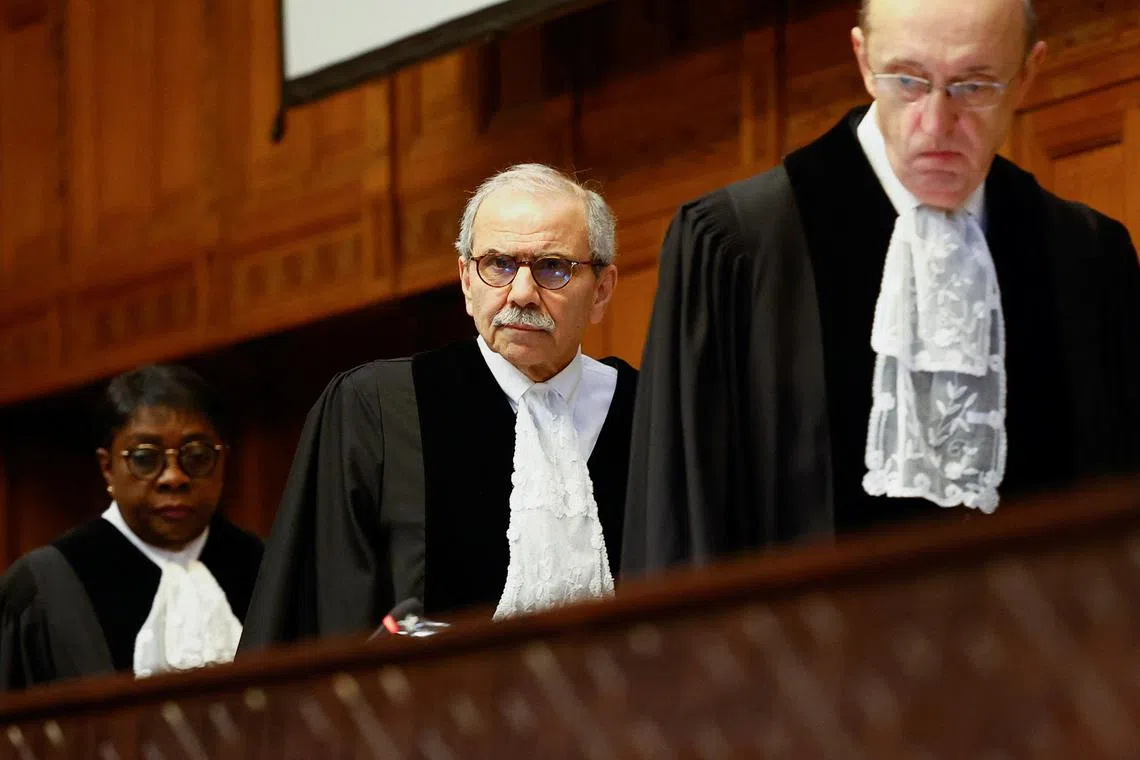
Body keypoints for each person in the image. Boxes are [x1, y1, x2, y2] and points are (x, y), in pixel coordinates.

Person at [623, 0, 1140, 574]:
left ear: (1027, 75)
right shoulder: (738, 248)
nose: (936, 125)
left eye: (974, 86)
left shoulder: (1086, 256)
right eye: (908, 81)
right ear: (864, 61)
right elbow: (682, 539)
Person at [239, 164, 637, 649]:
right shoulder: (378, 409)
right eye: (499, 265)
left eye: (553, 267)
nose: (522, 293)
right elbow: (329, 627)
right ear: (466, 281)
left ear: (601, 290)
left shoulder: (648, 415)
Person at [0, 364, 263, 690]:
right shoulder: (44, 586)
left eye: (197, 456)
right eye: (145, 458)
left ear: (222, 461)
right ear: (108, 467)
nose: (174, 477)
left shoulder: (266, 566)